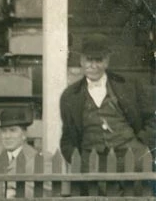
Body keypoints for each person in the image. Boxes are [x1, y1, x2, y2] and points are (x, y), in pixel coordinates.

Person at [59, 34, 153, 165]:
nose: (93, 65)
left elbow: (152, 119)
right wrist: (79, 162)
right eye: (88, 60)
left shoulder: (129, 86)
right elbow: (68, 137)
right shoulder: (70, 95)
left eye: (98, 60)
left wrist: (143, 145)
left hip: (131, 160)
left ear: (107, 61)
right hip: (91, 164)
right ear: (81, 60)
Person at [0, 109, 39, 199]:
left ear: (24, 134)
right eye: (4, 131)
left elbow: (47, 191)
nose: (7, 136)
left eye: (13, 130)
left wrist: (15, 191)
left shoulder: (40, 158)